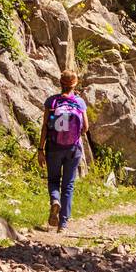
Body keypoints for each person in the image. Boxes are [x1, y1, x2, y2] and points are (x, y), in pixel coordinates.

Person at [37, 69, 88, 233]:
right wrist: (74, 135)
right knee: (68, 185)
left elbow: (45, 127)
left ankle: (54, 201)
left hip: (53, 147)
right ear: (75, 84)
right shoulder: (79, 103)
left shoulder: (52, 102)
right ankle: (63, 224)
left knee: (53, 180)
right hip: (73, 149)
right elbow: (86, 127)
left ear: (60, 83)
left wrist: (40, 149)